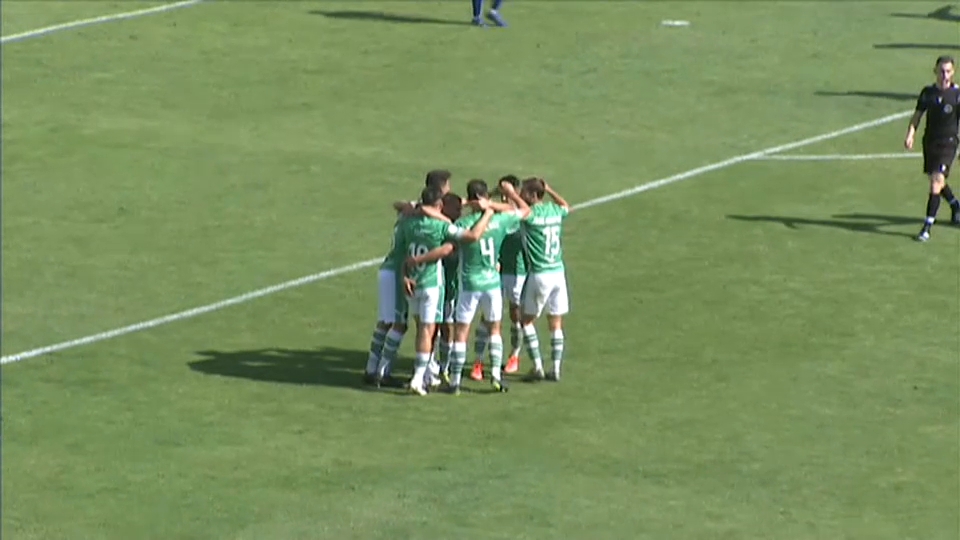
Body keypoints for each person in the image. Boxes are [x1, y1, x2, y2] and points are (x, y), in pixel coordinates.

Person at [393, 187, 495, 395]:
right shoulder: (442, 227)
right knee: (428, 330)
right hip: (432, 284)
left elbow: (401, 252)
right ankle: (419, 378)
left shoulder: (408, 223)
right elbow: (471, 236)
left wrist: (404, 274)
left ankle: (426, 375)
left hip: (412, 282)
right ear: (439, 206)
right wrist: (488, 212)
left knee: (423, 329)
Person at [363, 171, 453, 386]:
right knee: (400, 324)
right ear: (440, 190)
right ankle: (380, 372)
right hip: (399, 271)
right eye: (448, 185)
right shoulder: (421, 217)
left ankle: (374, 368)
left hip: (391, 268)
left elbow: (398, 205)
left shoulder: (410, 211)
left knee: (389, 322)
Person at [442, 179, 529, 393]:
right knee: (495, 329)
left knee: (461, 331)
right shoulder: (500, 220)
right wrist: (499, 202)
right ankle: (496, 377)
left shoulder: (462, 224)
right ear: (486, 198)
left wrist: (466, 204)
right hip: (492, 283)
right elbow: (525, 210)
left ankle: (454, 381)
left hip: (470, 283)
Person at [514, 178, 571, 382]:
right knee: (555, 323)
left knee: (526, 320)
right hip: (558, 272)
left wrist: (510, 193)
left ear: (532, 195)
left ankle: (537, 366)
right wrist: (550, 189)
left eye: (523, 192)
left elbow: (520, 211)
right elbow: (565, 206)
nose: (520, 195)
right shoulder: (554, 211)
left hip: (540, 274)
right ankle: (555, 368)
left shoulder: (530, 215)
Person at [470, 174, 526, 381]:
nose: (503, 198)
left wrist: (505, 197)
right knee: (487, 318)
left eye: (507, 194)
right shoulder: (495, 213)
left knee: (515, 314)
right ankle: (478, 362)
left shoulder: (520, 214)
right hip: (495, 272)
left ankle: (514, 355)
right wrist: (492, 196)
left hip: (517, 271)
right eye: (500, 194)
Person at [904, 55, 960, 242]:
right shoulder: (927, 93)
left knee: (936, 182)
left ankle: (927, 227)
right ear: (935, 71)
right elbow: (917, 115)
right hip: (930, 142)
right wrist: (911, 134)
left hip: (948, 143)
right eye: (942, 71)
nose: (945, 75)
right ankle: (955, 205)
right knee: (937, 180)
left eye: (948, 71)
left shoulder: (957, 95)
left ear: (953, 72)